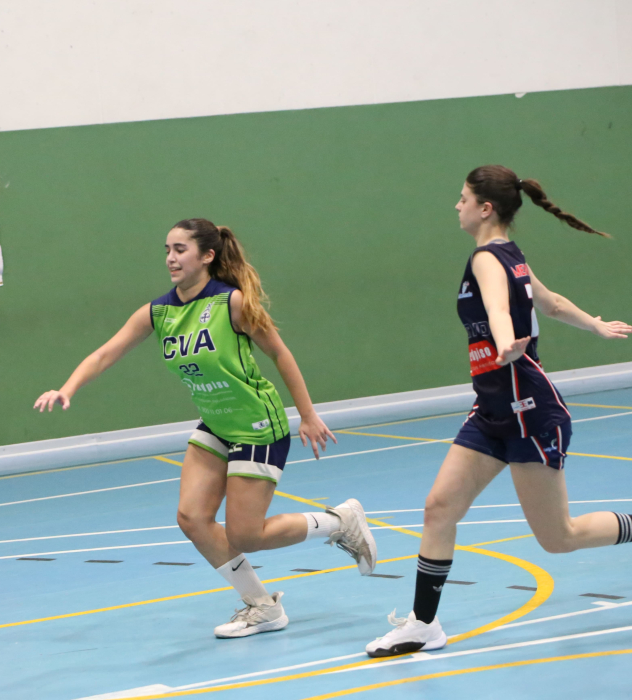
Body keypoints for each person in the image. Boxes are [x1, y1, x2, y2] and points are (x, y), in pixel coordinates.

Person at [365, 165, 632, 658]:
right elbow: (551, 304)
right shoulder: (512, 256)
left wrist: (507, 342)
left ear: (485, 208)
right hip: (492, 409)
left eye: (463, 198)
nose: (456, 205)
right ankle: (423, 624)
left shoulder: (488, 257)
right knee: (439, 508)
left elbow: (500, 311)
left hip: (529, 411)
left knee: (559, 538)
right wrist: (595, 324)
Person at [35, 218, 377, 638]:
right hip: (215, 423)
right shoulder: (158, 312)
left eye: (180, 249)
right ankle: (262, 606)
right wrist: (67, 388)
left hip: (255, 424)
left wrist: (307, 414)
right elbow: (105, 353)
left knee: (246, 535)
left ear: (207, 255)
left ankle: (339, 522)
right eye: (167, 249)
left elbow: (280, 353)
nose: (170, 258)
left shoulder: (231, 303)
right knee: (192, 518)